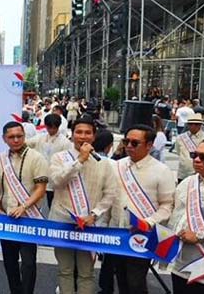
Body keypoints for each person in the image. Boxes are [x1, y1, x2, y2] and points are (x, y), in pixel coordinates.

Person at [48, 116, 117, 294]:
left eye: (88, 133)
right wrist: (79, 161)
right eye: (79, 132)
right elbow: (55, 182)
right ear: (72, 135)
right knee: (65, 270)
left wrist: (94, 214)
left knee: (86, 273)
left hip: (89, 224)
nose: (83, 136)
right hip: (62, 222)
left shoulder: (105, 164)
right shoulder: (59, 158)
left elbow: (109, 194)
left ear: (94, 137)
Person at [109, 124, 175, 294]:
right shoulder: (117, 166)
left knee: (136, 283)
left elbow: (167, 205)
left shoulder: (162, 171)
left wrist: (148, 222)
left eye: (135, 143)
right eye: (126, 141)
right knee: (120, 279)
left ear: (149, 145)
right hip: (116, 234)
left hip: (142, 237)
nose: (129, 146)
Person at [0, 121, 48, 294]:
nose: (16, 140)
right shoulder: (0, 159)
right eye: (11, 137)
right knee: (9, 263)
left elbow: (41, 189)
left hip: (28, 219)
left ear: (24, 136)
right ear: (4, 139)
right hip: (6, 219)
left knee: (28, 264)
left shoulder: (36, 158)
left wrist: (24, 207)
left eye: (19, 136)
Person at [168, 138, 204, 292]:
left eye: (203, 157)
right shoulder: (187, 182)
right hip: (181, 263)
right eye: (195, 154)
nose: (196, 160)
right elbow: (173, 210)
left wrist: (200, 236)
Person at [28, 114, 72, 208]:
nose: (51, 130)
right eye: (49, 128)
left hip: (54, 180)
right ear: (46, 126)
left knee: (51, 204)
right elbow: (27, 144)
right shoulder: (40, 137)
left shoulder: (65, 142)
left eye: (54, 128)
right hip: (39, 176)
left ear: (58, 126)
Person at [92, 129, 116, 294]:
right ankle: (105, 288)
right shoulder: (115, 165)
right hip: (104, 214)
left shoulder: (85, 160)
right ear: (109, 146)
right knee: (108, 257)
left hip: (84, 212)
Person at [175, 113, 204, 183]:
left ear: (200, 125)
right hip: (184, 173)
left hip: (202, 172)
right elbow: (178, 151)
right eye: (191, 124)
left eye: (196, 124)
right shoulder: (180, 138)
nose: (193, 126)